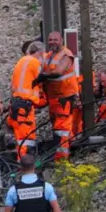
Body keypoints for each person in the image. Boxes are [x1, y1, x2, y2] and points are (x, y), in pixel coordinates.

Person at [40, 31, 80, 161]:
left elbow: (58, 72)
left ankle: (62, 158)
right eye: (50, 40)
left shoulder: (66, 54)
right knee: (58, 127)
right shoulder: (49, 55)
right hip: (54, 98)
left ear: (61, 40)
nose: (52, 42)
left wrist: (43, 76)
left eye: (55, 40)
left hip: (65, 97)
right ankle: (63, 151)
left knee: (62, 128)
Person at [8, 41, 47, 160]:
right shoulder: (35, 62)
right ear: (40, 52)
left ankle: (23, 166)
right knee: (26, 141)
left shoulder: (22, 61)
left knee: (21, 140)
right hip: (24, 108)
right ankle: (26, 168)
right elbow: (42, 79)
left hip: (16, 105)